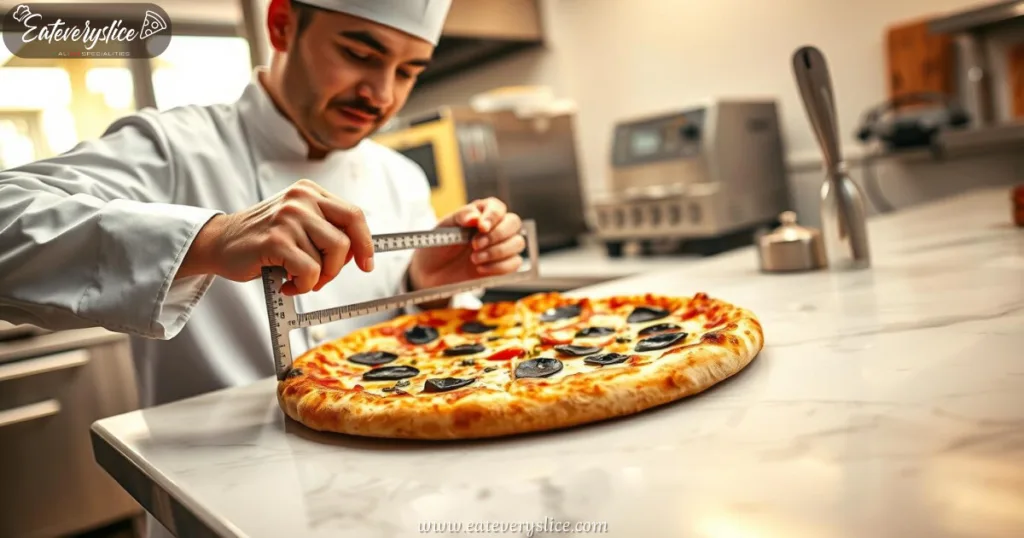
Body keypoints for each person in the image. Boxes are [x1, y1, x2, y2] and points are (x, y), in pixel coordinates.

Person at [0, 1, 526, 411]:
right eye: (360, 55)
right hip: (218, 500)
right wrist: (210, 240)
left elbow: (418, 350)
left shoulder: (402, 176)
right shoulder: (173, 147)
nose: (382, 95)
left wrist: (422, 289)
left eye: (409, 71)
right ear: (281, 25)